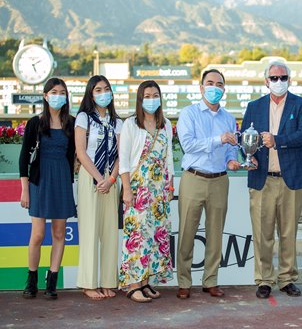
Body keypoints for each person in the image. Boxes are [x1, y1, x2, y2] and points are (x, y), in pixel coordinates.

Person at [241, 60, 302, 299]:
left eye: (283, 78)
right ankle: (264, 279)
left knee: (288, 233)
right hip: (262, 179)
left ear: (289, 80)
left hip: (290, 180)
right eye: (274, 78)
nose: (278, 82)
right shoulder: (254, 106)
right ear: (266, 81)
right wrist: (247, 156)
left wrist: (277, 140)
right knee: (262, 233)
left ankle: (287, 279)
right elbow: (245, 139)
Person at [176, 69, 240, 299]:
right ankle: (184, 281)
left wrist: (232, 159)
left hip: (220, 180)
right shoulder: (189, 114)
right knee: (186, 233)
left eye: (219, 84)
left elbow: (232, 146)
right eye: (210, 83)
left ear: (224, 89)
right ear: (201, 87)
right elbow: (189, 145)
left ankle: (210, 280)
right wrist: (218, 139)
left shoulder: (229, 118)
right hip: (193, 178)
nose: (215, 87)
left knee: (215, 233)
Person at [19, 77, 76, 300]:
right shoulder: (35, 123)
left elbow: (74, 154)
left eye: (62, 92)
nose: (58, 96)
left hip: (62, 179)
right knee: (38, 234)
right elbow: (24, 158)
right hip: (39, 181)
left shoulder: (71, 123)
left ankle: (51, 280)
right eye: (54, 92)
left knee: (59, 233)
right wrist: (25, 189)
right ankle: (31, 279)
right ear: (45, 96)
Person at [118, 80, 174, 303]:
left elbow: (168, 157)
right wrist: (127, 190)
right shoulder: (130, 124)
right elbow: (123, 160)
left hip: (159, 189)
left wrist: (170, 185)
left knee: (154, 235)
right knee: (137, 234)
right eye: (147, 95)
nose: (152, 99)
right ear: (140, 100)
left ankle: (145, 281)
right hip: (138, 186)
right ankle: (133, 285)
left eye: (155, 95)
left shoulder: (166, 124)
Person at [75, 75, 122, 300]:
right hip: (90, 176)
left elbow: (123, 155)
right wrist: (98, 178)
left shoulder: (118, 121)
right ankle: (88, 283)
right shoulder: (84, 118)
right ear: (91, 94)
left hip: (111, 179)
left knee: (110, 231)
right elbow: (81, 152)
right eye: (98, 90)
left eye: (106, 89)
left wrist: (111, 179)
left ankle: (108, 281)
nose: (103, 93)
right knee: (90, 229)